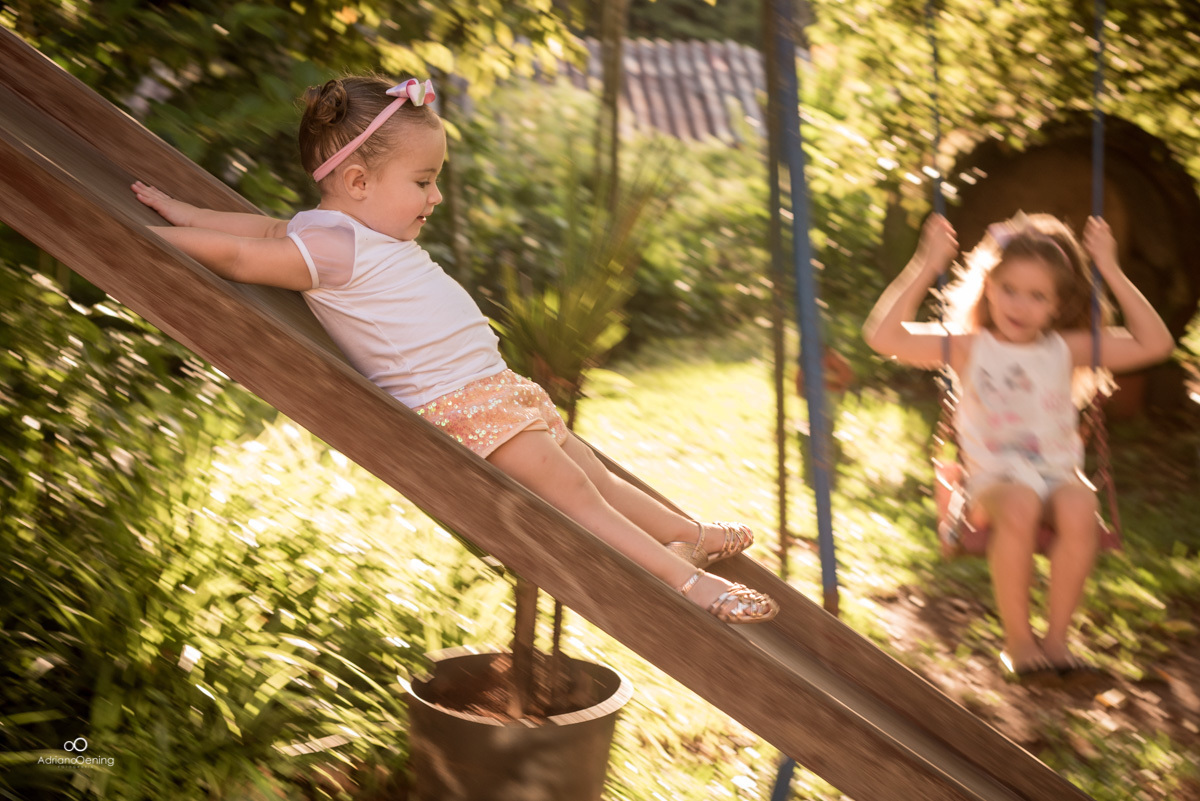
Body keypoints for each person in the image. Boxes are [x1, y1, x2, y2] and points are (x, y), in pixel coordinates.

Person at [132, 75, 777, 624]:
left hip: (494, 392)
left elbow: (255, 227)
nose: (435, 196)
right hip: (464, 409)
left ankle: (687, 534)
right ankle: (692, 584)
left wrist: (183, 209)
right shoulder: (333, 247)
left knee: (595, 476)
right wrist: (154, 232)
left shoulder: (332, 230)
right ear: (357, 181)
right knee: (580, 498)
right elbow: (245, 254)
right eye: (423, 180)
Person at [862, 212, 1173, 678]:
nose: (1020, 305)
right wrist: (926, 263)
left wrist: (1110, 268)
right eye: (1009, 288)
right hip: (994, 483)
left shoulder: (1066, 348)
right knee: (1023, 501)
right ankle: (1018, 642)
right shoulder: (969, 347)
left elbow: (1156, 343)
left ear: (1057, 306)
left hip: (1057, 475)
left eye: (1037, 296)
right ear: (988, 286)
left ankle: (1056, 641)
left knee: (1079, 503)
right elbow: (882, 337)